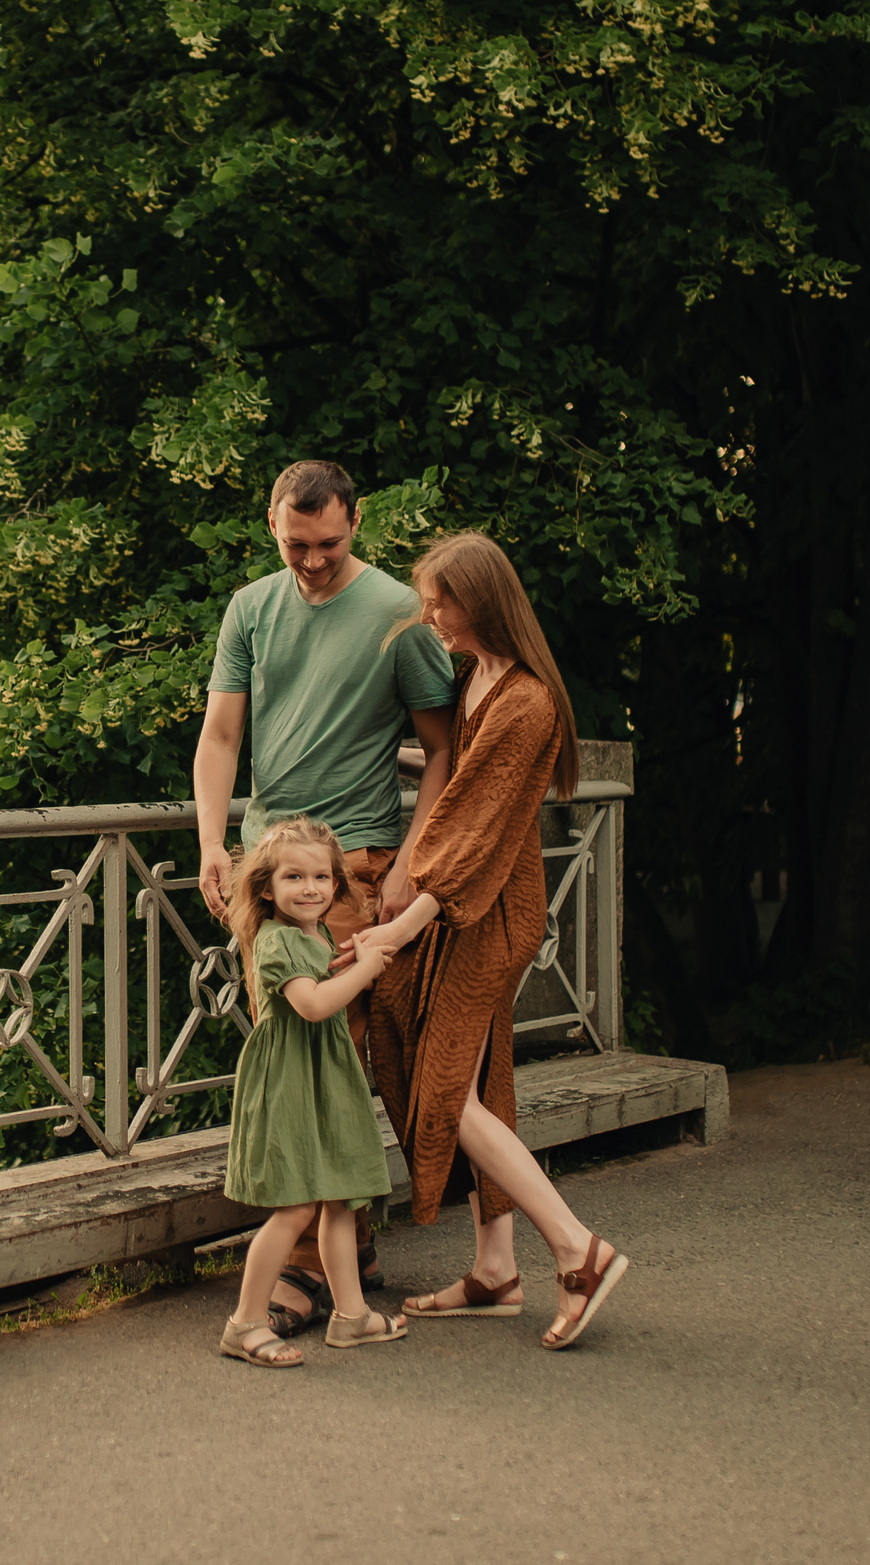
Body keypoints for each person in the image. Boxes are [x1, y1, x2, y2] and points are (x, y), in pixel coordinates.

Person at [194, 459, 455, 1334]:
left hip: (352, 865)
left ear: (357, 523)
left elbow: (442, 751)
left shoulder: (396, 614)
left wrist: (409, 863)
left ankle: (304, 1272)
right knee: (302, 1050)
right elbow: (223, 733)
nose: (310, 560)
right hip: (268, 864)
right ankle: (350, 1242)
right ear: (272, 523)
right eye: (294, 543)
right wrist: (212, 847)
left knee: (323, 1047)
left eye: (329, 543)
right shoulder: (250, 608)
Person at [362, 530, 631, 1350]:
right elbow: (461, 780)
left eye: (442, 600)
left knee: (447, 1094)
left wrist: (402, 922)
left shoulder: (527, 702)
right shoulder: (479, 677)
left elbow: (477, 824)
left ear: (483, 599)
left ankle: (578, 1250)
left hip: (490, 915)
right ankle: (495, 1269)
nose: (431, 614)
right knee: (474, 1080)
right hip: (463, 908)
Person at [217, 817, 409, 1367]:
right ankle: (245, 1323)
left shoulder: (314, 933)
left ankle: (351, 1316)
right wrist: (368, 967)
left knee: (340, 1197)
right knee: (296, 1205)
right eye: (294, 877)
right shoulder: (275, 940)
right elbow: (314, 1004)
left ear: (337, 883)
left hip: (322, 1077)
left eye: (322, 877)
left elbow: (323, 981)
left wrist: (353, 954)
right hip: (292, 1084)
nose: (310, 889)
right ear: (265, 888)